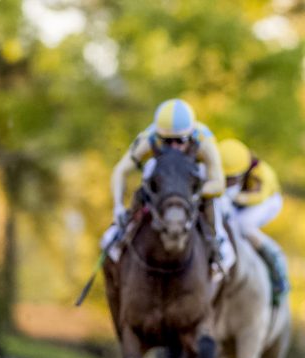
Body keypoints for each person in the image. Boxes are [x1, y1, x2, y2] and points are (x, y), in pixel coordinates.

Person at [106, 98, 226, 274]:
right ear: (158, 136)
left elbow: (219, 185)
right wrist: (117, 206)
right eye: (167, 142)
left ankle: (216, 245)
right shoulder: (148, 139)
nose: (174, 147)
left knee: (213, 201)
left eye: (180, 141)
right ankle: (123, 234)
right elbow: (120, 171)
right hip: (163, 176)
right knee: (148, 175)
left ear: (191, 135)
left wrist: (192, 193)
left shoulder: (204, 142)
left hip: (191, 179)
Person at [218, 138, 289, 304]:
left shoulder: (262, 175)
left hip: (267, 201)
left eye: (230, 178)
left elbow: (258, 197)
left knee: (243, 226)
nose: (226, 182)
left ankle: (275, 262)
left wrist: (235, 197)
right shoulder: (234, 160)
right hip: (243, 199)